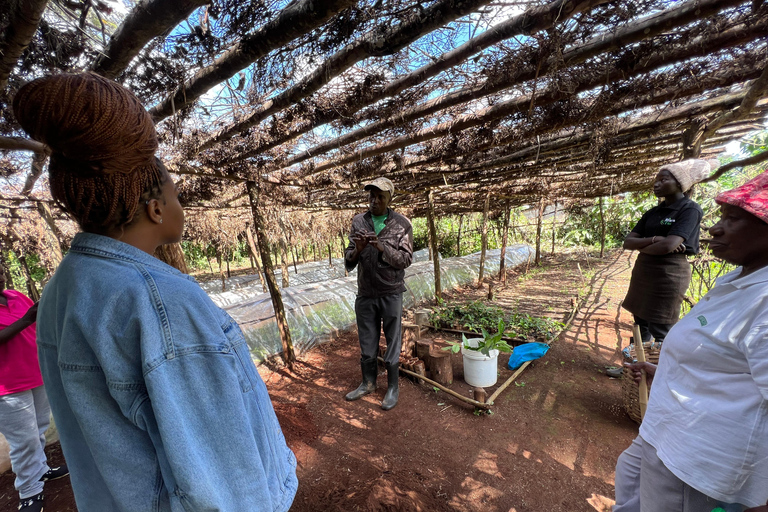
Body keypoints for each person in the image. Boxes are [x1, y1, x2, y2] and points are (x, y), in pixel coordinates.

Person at [12, 73, 297, 511]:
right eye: (176, 194)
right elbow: (218, 478)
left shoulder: (62, 288)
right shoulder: (160, 301)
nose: (181, 205)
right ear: (156, 207)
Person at [613, 169, 768, 511]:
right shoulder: (737, 280)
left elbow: (668, 244)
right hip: (667, 427)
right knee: (630, 477)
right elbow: (633, 240)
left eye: (734, 219)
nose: (715, 228)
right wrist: (666, 371)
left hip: (695, 455)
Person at [606, 159, 713, 377]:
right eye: (656, 179)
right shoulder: (653, 212)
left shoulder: (689, 209)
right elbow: (628, 242)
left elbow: (669, 246)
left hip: (669, 274)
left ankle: (665, 376)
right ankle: (631, 367)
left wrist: (647, 244)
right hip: (645, 271)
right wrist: (656, 240)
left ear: (680, 183)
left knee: (662, 327)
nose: (656, 184)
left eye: (663, 179)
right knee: (640, 323)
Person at [0, 272, 69, 512]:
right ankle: (29, 491)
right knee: (24, 440)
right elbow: (28, 321)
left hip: (35, 373)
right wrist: (26, 320)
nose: (0, 276)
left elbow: (39, 322)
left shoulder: (15, 296)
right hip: (6, 386)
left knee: (39, 427)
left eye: (0, 271)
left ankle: (41, 470)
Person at [344, 177, 413, 410]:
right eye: (371, 196)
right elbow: (349, 261)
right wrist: (359, 249)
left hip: (391, 292)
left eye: (380, 197)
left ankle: (392, 387)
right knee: (367, 339)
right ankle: (368, 382)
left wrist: (382, 248)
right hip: (365, 293)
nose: (374, 201)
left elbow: (406, 259)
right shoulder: (359, 221)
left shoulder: (402, 224)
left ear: (389, 198)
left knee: (393, 339)